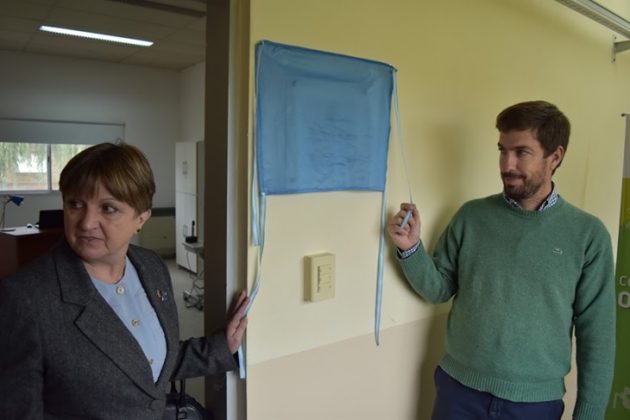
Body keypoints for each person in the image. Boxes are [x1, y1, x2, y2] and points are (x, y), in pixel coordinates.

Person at [388, 100, 615, 420]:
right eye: (502, 150)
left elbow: (597, 339)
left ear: (555, 157)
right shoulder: (471, 216)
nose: (507, 164)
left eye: (522, 152)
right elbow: (439, 289)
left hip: (534, 405)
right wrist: (411, 248)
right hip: (458, 392)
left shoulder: (588, 235)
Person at [0, 142, 249, 419]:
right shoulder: (24, 298)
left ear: (141, 218)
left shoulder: (152, 267)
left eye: (108, 208)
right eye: (75, 204)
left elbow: (146, 362)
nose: (86, 223)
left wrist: (220, 347)